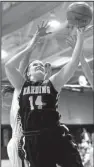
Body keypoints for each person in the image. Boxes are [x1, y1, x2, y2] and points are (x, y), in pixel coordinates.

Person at [5, 21, 84, 167]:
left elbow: (73, 63)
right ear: (27, 73)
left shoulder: (52, 83)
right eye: (35, 65)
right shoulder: (22, 85)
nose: (39, 64)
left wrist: (80, 37)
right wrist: (31, 45)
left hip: (55, 134)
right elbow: (9, 66)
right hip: (33, 139)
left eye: (41, 64)